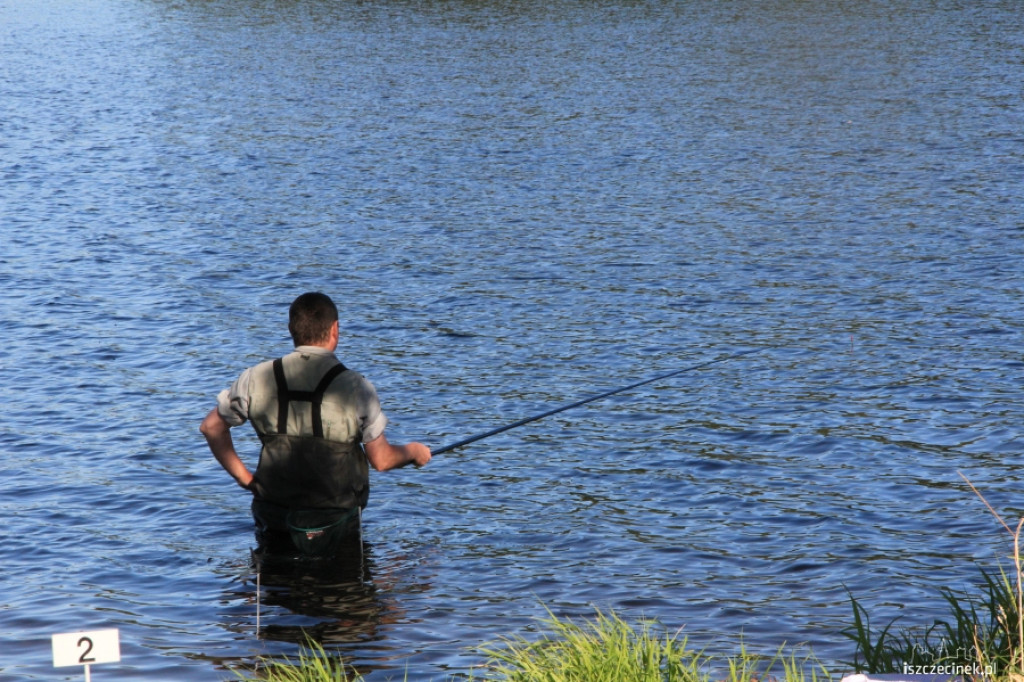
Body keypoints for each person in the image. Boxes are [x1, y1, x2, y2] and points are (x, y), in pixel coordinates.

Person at [200, 292, 431, 553]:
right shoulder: (357, 387)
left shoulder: (255, 378)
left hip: (275, 519)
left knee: (275, 587)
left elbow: (211, 427)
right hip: (336, 523)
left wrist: (245, 479)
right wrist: (414, 452)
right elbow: (382, 460)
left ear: (291, 329)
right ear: (335, 330)